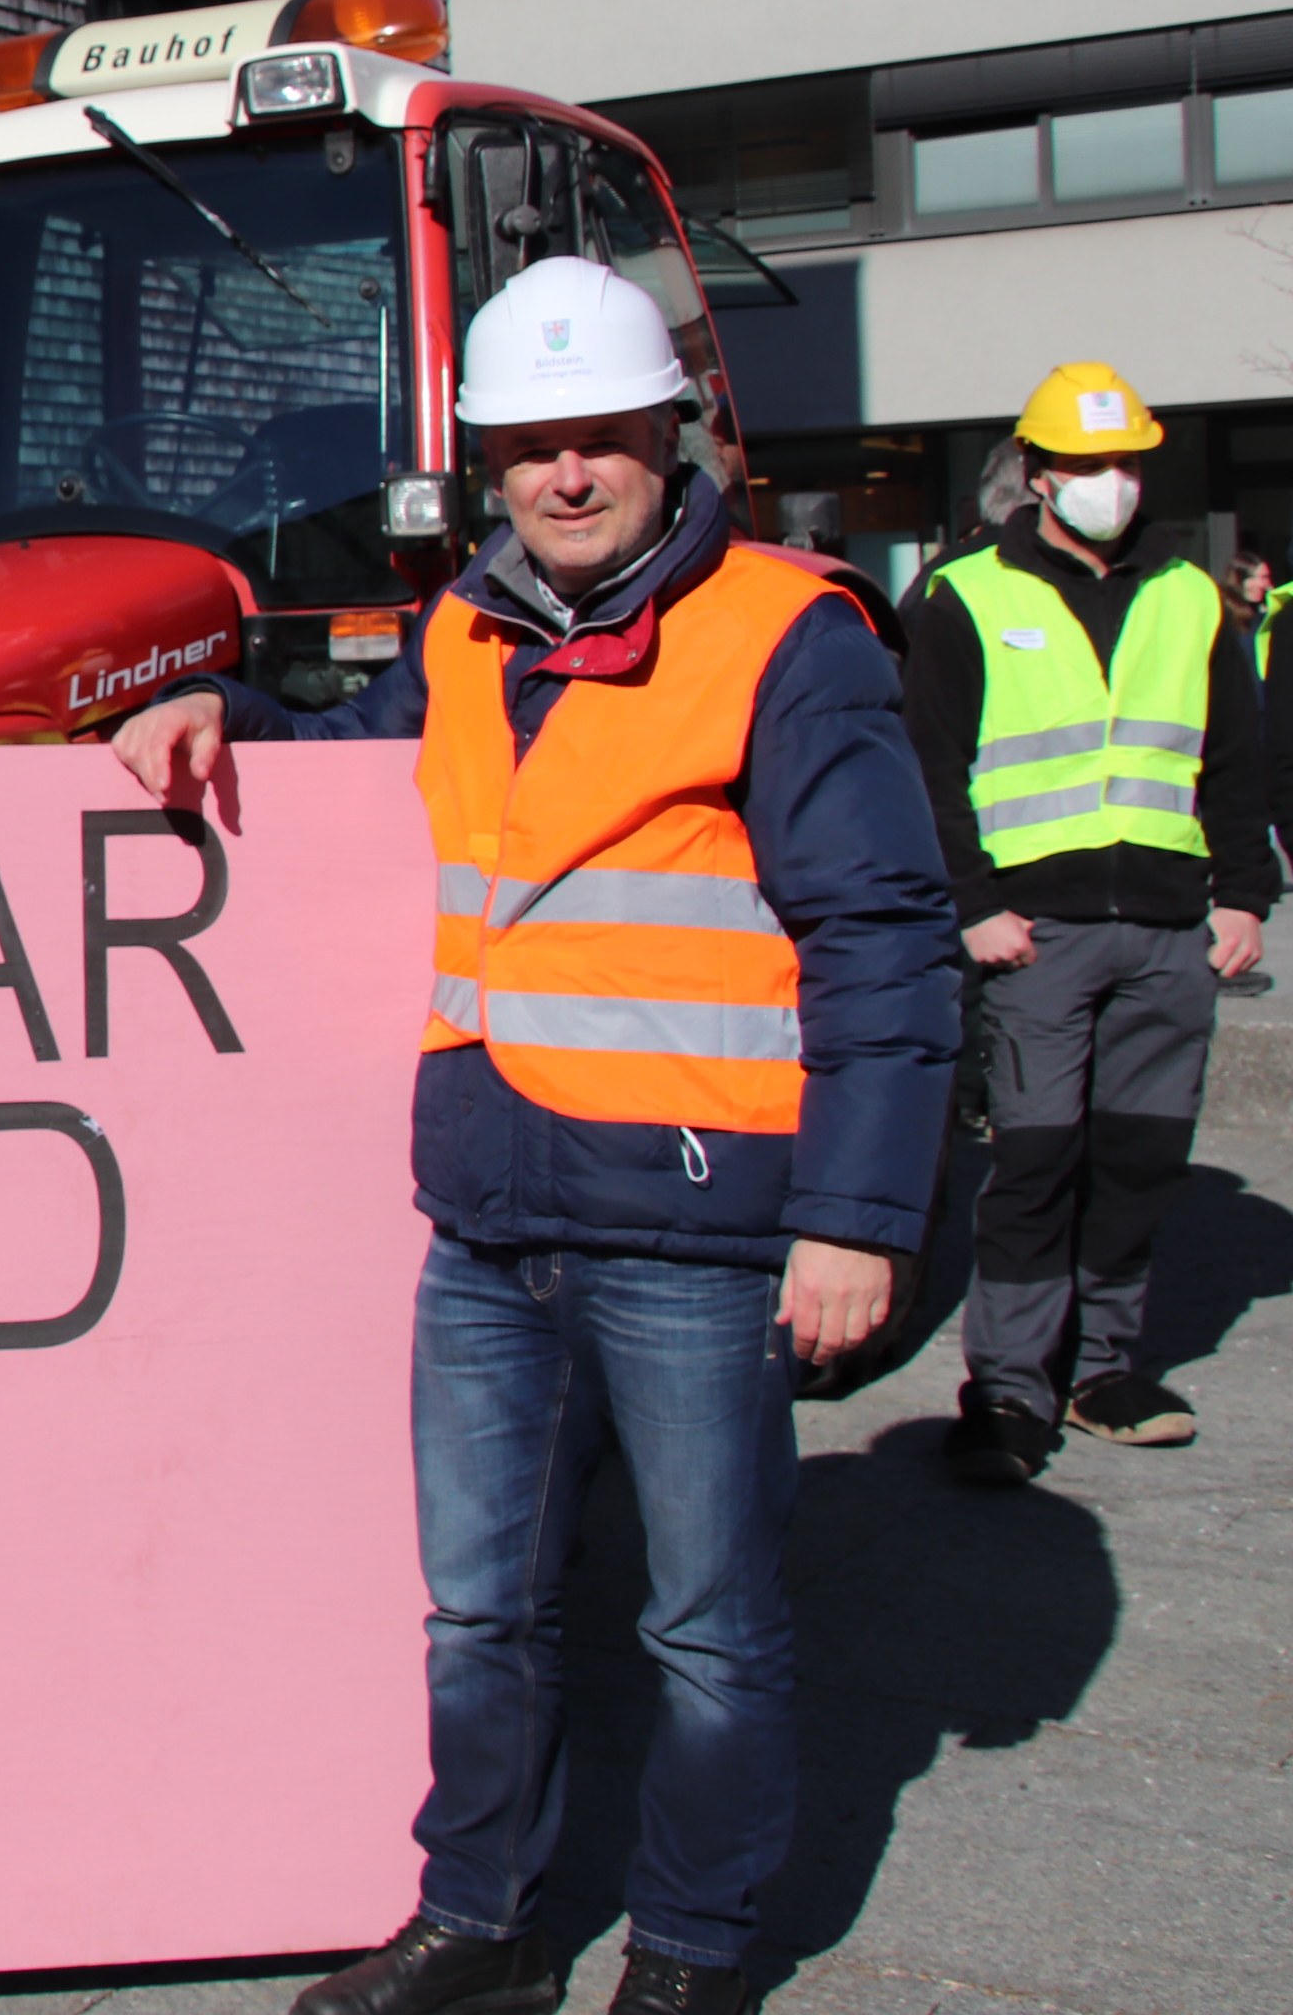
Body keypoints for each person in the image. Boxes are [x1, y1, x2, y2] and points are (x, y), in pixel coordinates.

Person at [110, 256, 958, 2015]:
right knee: (478, 1610)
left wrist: (860, 1217)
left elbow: (882, 935)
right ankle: (480, 1922)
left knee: (704, 1628)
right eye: (526, 449)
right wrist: (225, 716)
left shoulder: (787, 636)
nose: (565, 477)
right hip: (491, 1212)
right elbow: (361, 762)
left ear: (667, 436)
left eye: (600, 440)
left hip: (694, 1218)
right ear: (484, 466)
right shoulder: (465, 634)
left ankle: (691, 1956)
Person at [909, 363, 1268, 1479]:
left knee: (1138, 1161)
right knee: (1036, 1164)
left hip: (1168, 927)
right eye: (1086, 462)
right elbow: (926, 769)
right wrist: (974, 907)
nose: (1111, 481)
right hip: (1035, 933)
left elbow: (1236, 758)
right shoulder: (963, 593)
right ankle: (1009, 1390)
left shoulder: (1189, 594)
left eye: (1126, 462)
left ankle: (1103, 1368)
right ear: (1038, 472)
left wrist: (1244, 894)